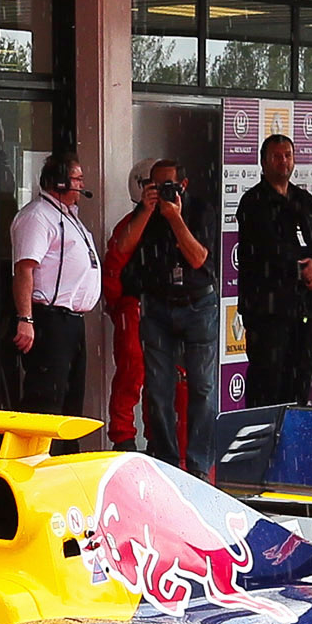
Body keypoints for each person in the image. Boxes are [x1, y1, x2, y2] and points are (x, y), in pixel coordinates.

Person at [118, 156, 218, 470]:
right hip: (158, 305)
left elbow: (199, 258)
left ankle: (199, 463)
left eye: (168, 185)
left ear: (183, 185)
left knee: (201, 386)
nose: (161, 191)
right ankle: (166, 460)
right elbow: (123, 247)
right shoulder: (145, 212)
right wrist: (147, 210)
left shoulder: (200, 210)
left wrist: (175, 218)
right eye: (155, 185)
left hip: (197, 304)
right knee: (159, 388)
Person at [235, 131, 312, 408]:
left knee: (301, 378)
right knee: (268, 380)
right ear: (263, 162)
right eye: (276, 157)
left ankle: (293, 438)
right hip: (268, 308)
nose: (283, 162)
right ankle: (264, 443)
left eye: (288, 156)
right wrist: (302, 270)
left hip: (304, 307)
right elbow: (268, 248)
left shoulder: (303, 199)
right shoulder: (253, 202)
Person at [8, 156, 102, 435]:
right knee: (46, 398)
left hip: (71, 321)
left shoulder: (66, 214)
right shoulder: (37, 216)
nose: (81, 185)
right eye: (76, 179)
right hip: (49, 319)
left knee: (71, 399)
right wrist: (26, 319)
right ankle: (35, 463)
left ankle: (64, 461)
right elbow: (25, 269)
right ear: (59, 182)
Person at [98, 161, 150, 447]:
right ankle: (123, 437)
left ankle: (162, 441)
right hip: (135, 308)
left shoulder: (179, 223)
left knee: (169, 380)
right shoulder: (127, 227)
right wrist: (119, 307)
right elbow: (114, 266)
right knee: (132, 371)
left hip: (168, 310)